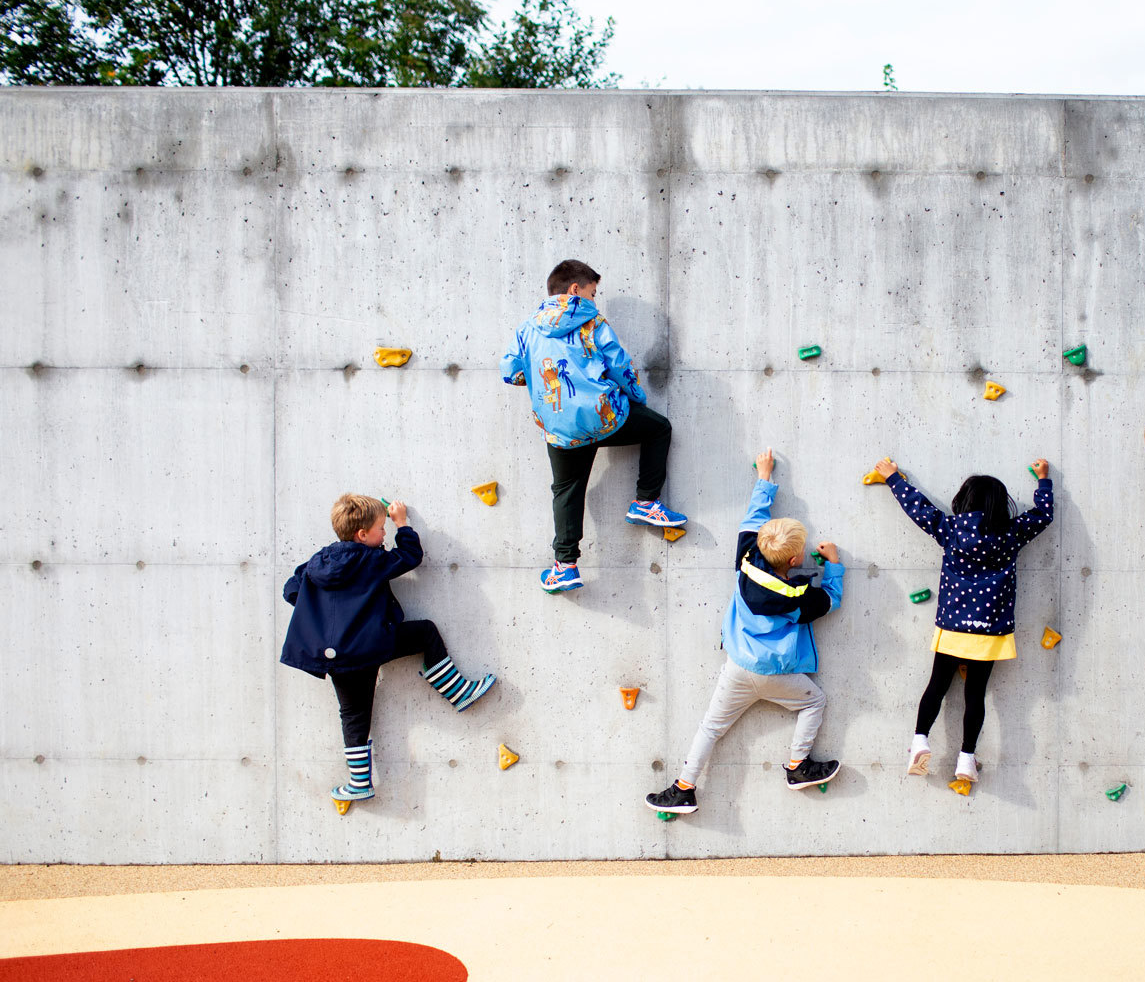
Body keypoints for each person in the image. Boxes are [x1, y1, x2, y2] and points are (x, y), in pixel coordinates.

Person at [645, 449, 842, 817]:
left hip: (737, 667)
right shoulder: (798, 598)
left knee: (710, 727)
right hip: (778, 674)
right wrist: (834, 565)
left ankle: (684, 788)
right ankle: (798, 766)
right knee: (814, 702)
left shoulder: (746, 558)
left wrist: (764, 478)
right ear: (796, 560)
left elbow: (753, 518)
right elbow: (830, 601)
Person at [281, 494, 496, 807]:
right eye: (381, 529)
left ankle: (359, 783)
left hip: (339, 656)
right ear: (362, 535)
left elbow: (291, 590)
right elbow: (410, 557)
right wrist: (401, 523)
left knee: (354, 714)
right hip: (372, 645)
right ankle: (458, 692)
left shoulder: (317, 562)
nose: (384, 535)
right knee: (424, 632)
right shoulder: (370, 560)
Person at [501, 259, 686, 595]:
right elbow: (619, 366)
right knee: (658, 428)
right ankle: (645, 501)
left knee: (567, 489)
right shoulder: (593, 322)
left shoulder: (526, 329)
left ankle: (566, 566)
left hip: (560, 428)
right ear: (575, 290)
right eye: (592, 292)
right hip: (603, 417)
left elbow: (510, 373)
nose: (593, 300)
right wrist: (637, 397)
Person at [875, 457, 1053, 786]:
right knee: (976, 696)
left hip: (953, 628)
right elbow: (1043, 516)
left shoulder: (952, 529)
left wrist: (893, 479)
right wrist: (1043, 481)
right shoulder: (1010, 534)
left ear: (964, 500)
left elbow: (920, 510)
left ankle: (919, 740)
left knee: (937, 687)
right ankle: (966, 759)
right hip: (989, 633)